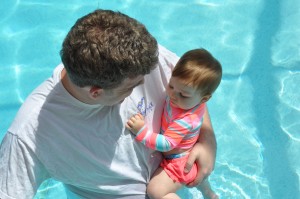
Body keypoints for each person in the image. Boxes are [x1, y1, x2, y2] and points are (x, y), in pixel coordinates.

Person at [0, 9, 217, 199]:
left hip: (169, 174)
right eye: (132, 87)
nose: (146, 81)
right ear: (96, 92)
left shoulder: (145, 58)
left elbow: (194, 92)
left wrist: (207, 139)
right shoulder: (29, 135)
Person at [126, 49, 222, 199]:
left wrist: (141, 131)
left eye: (183, 95)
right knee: (199, 178)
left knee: (155, 191)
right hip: (189, 152)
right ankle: (209, 193)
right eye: (171, 86)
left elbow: (166, 144)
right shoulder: (195, 101)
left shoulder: (185, 119)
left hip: (179, 162)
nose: (173, 95)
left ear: (204, 99)